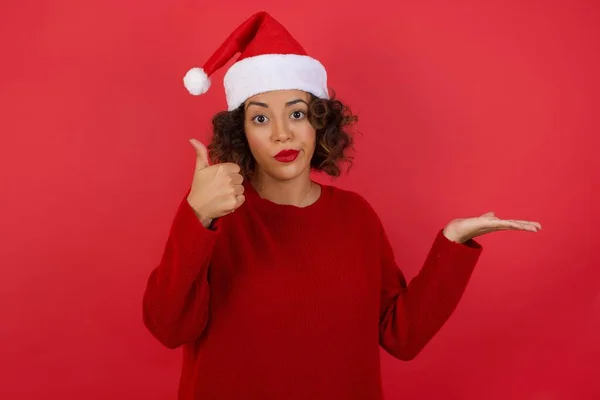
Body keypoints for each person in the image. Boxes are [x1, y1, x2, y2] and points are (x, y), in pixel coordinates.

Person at [142, 11, 542, 400]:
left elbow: (400, 337)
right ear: (241, 132)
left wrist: (453, 243)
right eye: (260, 119)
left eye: (297, 113)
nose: (282, 134)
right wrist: (197, 215)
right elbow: (168, 326)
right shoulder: (216, 216)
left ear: (319, 122)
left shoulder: (356, 217)